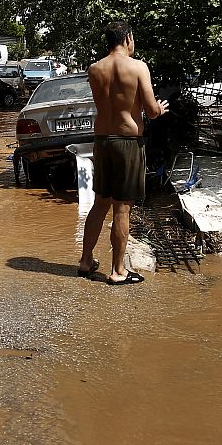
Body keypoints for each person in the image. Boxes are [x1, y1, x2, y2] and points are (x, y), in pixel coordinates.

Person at [78, 21, 169, 285]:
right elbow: (151, 111)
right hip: (128, 142)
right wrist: (160, 109)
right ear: (128, 38)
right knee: (122, 207)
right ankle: (118, 270)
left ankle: (86, 260)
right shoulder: (138, 67)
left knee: (100, 202)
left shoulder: (95, 69)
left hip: (102, 140)